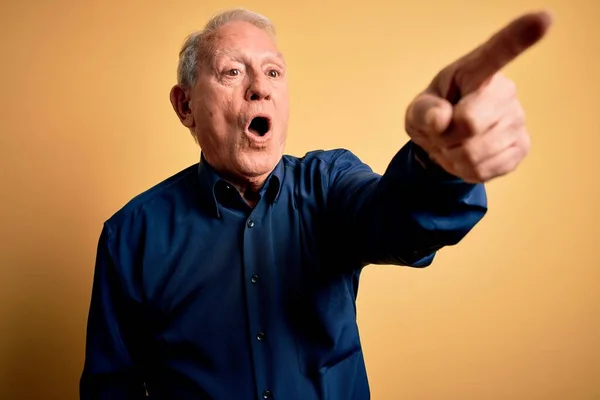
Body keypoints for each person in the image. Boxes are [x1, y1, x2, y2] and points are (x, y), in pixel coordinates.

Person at [80, 8, 552, 400]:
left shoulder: (329, 185)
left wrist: (440, 166)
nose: (259, 87)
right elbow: (111, 389)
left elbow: (397, 219)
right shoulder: (131, 235)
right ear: (185, 106)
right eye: (231, 72)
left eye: (272, 72)